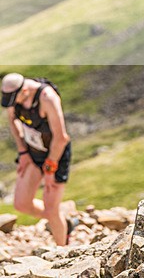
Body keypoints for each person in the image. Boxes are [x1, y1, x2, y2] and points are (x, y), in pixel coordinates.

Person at [2, 73, 73, 246]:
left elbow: (61, 137)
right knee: (22, 204)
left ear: (25, 90)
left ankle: (62, 252)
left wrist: (50, 168)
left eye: (15, 99)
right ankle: (63, 220)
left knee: (51, 209)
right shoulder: (15, 98)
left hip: (55, 155)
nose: (14, 105)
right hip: (33, 153)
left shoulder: (47, 98)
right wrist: (23, 152)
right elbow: (12, 120)